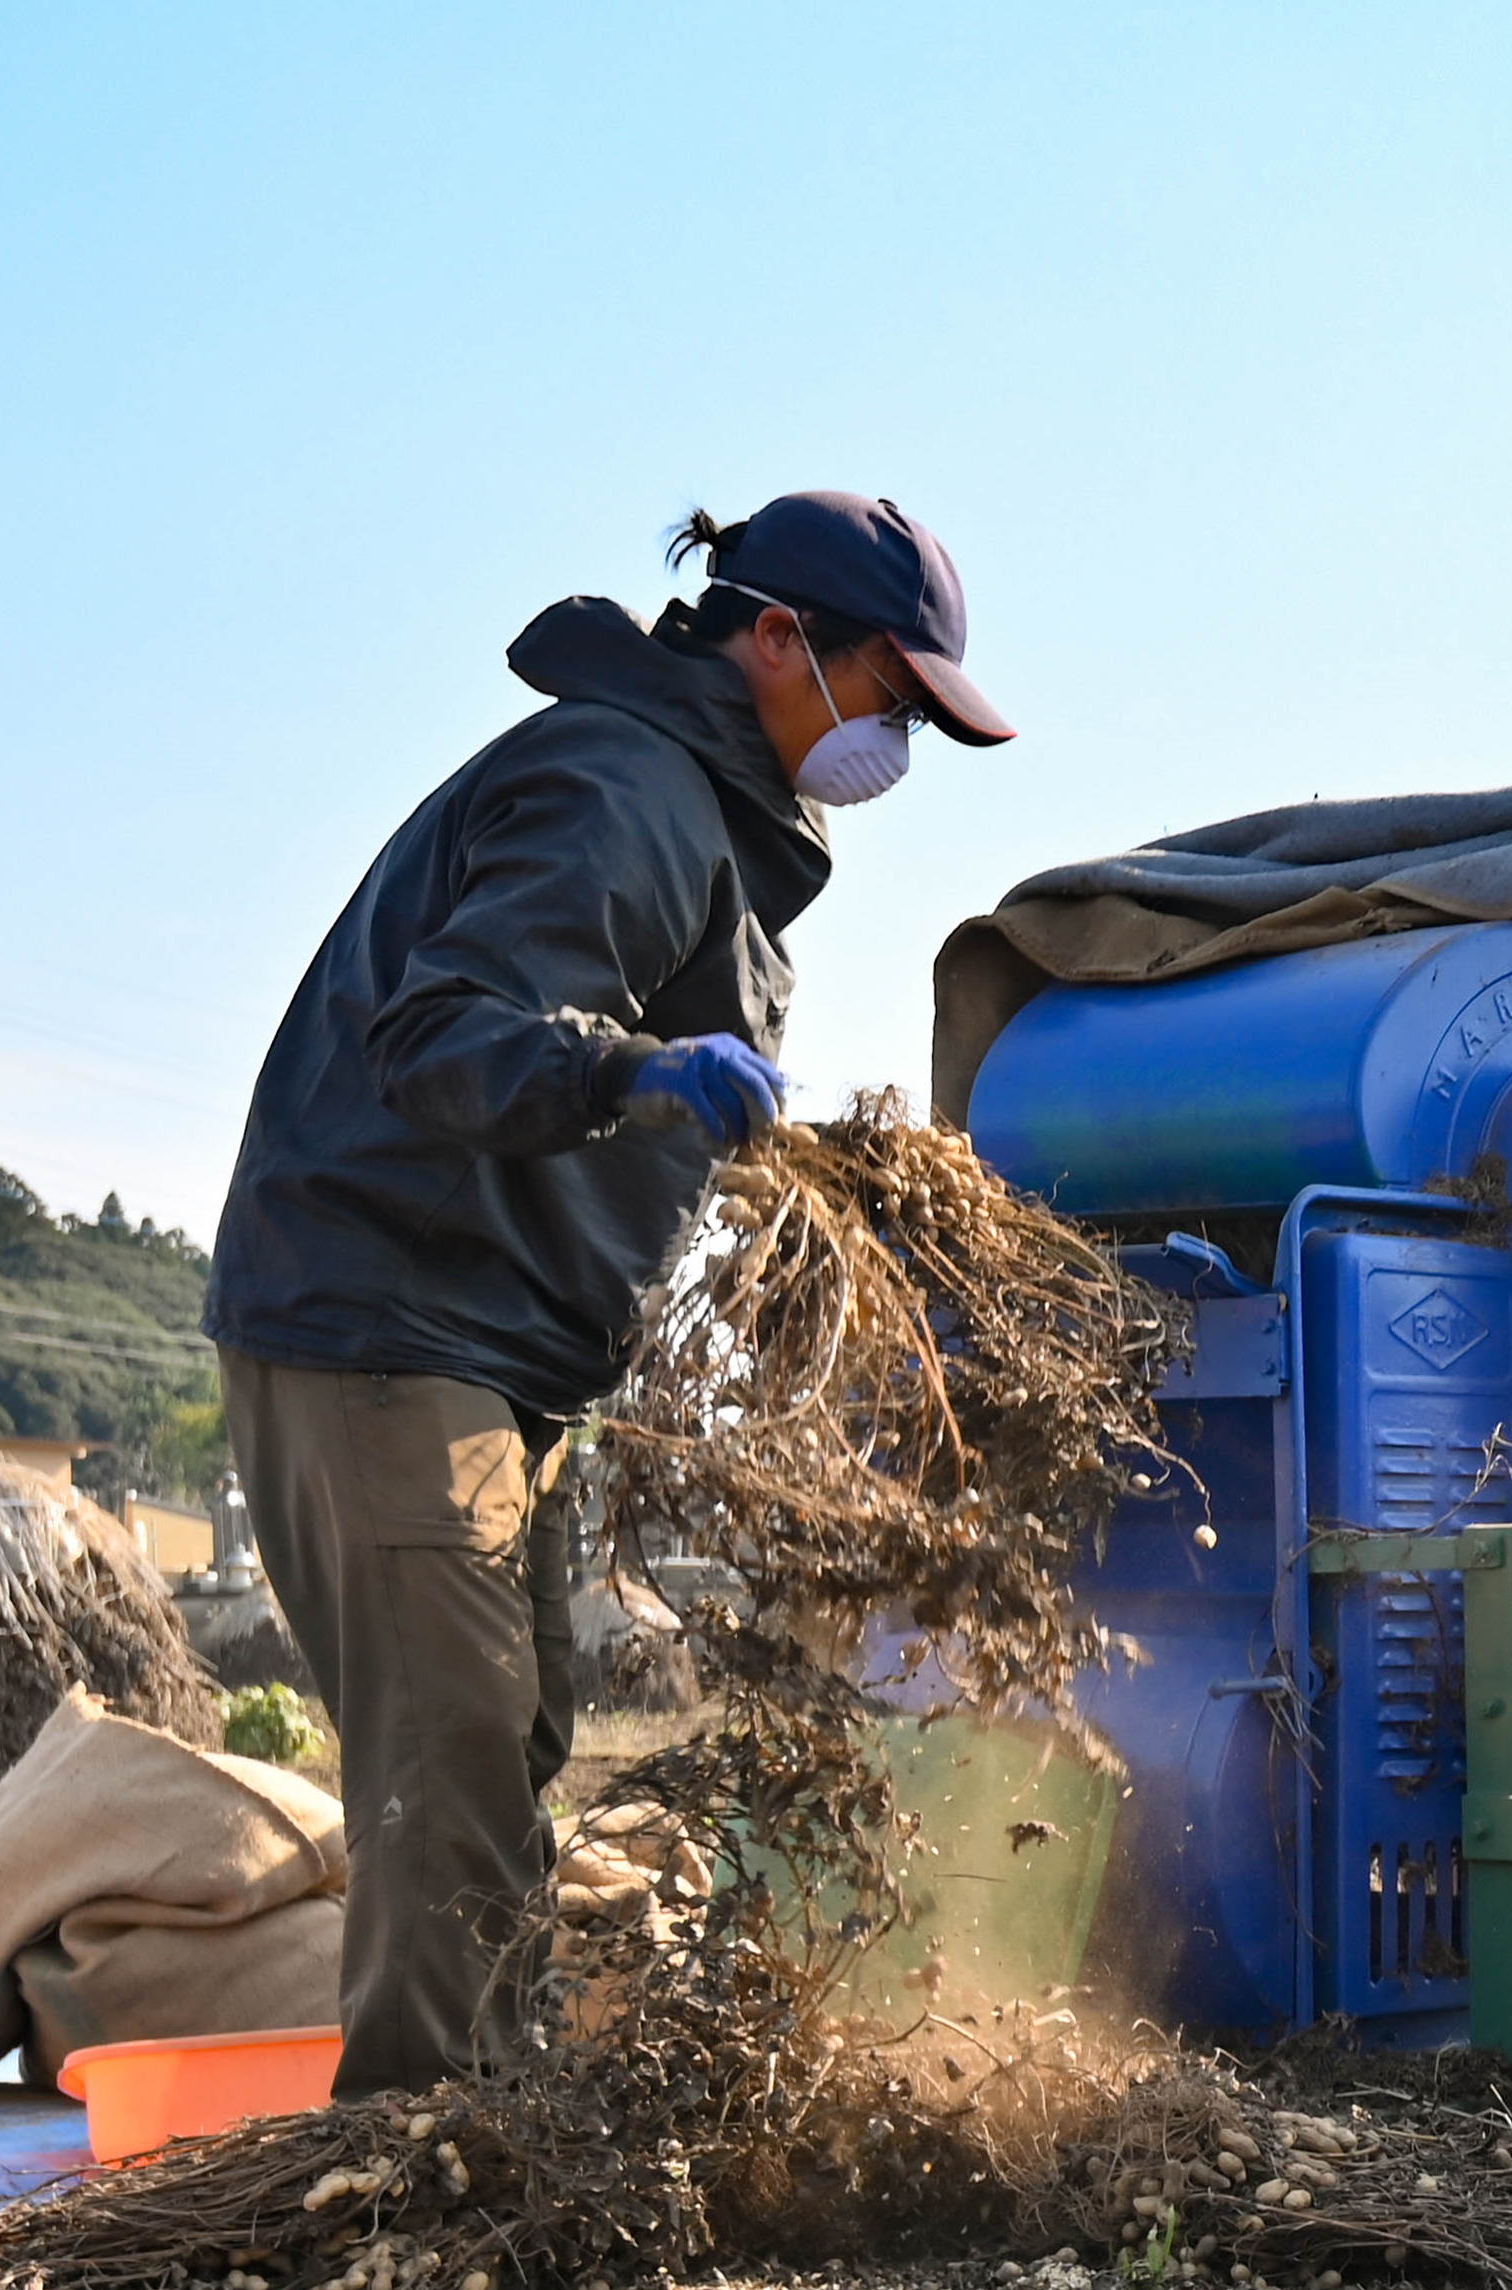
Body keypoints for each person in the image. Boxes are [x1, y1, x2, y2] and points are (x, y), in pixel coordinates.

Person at [205, 493, 1013, 2095]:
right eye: (891, 693)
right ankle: (422, 2176)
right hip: (387, 1319)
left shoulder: (708, 821)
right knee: (450, 1770)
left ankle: (494, 2117)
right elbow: (438, 1033)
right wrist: (641, 1072)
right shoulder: (620, 786)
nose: (895, 741)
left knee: (513, 1744)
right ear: (777, 637)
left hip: (506, 1353)